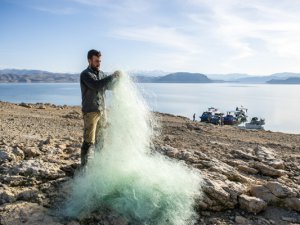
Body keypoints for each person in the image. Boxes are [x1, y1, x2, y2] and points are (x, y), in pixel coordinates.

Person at [79, 49, 121, 169]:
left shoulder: (102, 74)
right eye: (96, 61)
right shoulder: (85, 74)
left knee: (101, 139)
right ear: (89, 60)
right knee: (88, 142)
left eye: (100, 61)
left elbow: (110, 86)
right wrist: (112, 75)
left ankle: (98, 166)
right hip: (90, 113)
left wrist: (118, 80)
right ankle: (83, 169)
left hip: (102, 111)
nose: (99, 63)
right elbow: (96, 85)